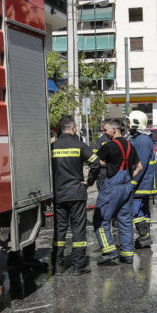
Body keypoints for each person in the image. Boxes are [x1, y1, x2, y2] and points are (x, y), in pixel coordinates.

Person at [50, 116, 99, 275]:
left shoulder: (53, 147)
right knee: (78, 230)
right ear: (73, 129)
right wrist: (89, 182)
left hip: (59, 194)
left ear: (59, 130)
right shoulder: (80, 145)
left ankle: (57, 266)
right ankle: (78, 266)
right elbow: (96, 163)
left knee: (60, 230)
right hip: (77, 193)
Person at [91, 118, 141, 264]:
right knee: (125, 221)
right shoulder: (131, 146)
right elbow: (140, 167)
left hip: (112, 187)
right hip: (127, 187)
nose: (103, 133)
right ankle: (127, 254)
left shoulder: (109, 146)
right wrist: (129, 180)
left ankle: (109, 251)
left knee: (100, 220)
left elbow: (95, 161)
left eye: (105, 130)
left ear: (114, 129)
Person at [127, 111, 157, 249]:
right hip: (143, 182)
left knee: (136, 210)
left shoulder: (142, 140)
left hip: (141, 183)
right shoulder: (138, 138)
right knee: (142, 210)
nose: (126, 125)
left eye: (129, 122)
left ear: (135, 123)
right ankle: (145, 237)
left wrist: (132, 182)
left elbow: (141, 164)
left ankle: (144, 237)